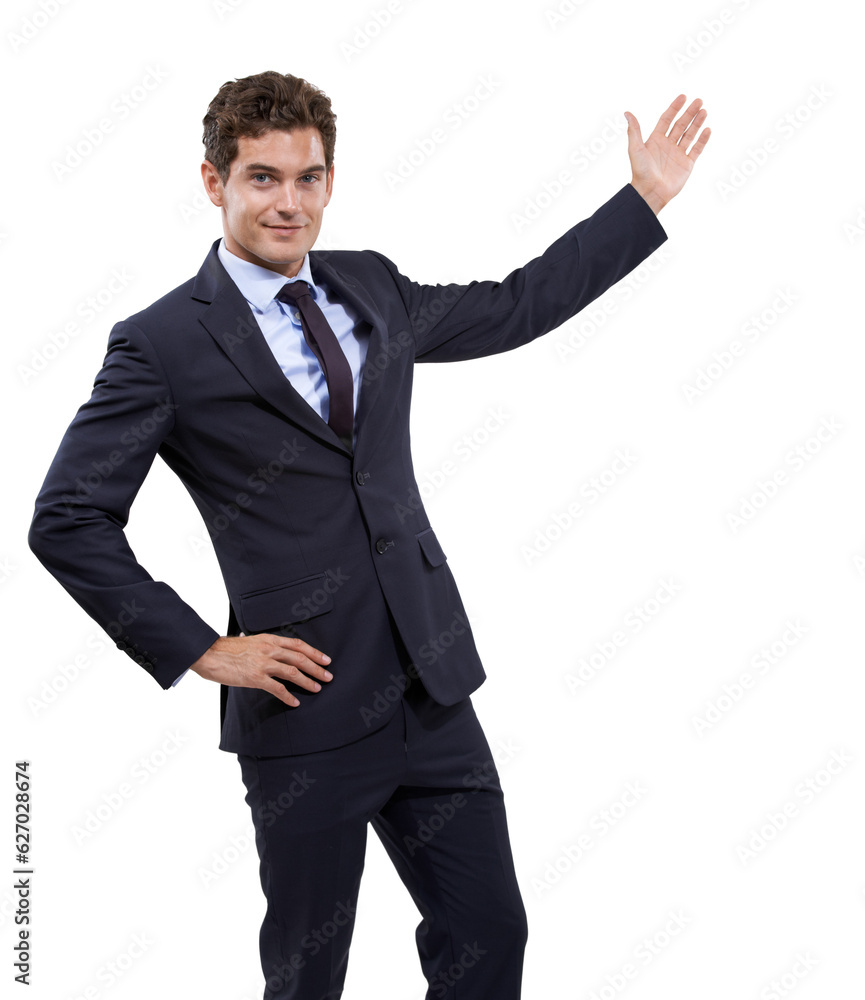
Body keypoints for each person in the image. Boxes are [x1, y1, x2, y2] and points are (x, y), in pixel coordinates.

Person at [28, 71, 710, 999]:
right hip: (303, 702)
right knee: (310, 973)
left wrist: (640, 201)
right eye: (262, 178)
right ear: (212, 181)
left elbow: (514, 305)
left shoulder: (370, 285)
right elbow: (68, 517)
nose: (288, 202)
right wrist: (199, 648)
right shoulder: (161, 344)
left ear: (331, 181)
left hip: (431, 688)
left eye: (308, 178)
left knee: (490, 936)